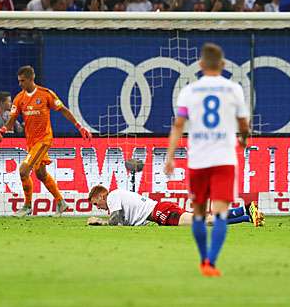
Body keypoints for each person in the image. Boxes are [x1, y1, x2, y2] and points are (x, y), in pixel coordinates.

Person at [164, 43, 250, 277]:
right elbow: (243, 125)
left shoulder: (189, 92)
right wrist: (243, 141)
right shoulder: (234, 90)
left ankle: (203, 259)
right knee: (220, 213)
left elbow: (178, 126)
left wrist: (170, 156)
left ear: (200, 65)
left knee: (200, 214)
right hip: (224, 159)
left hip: (198, 161)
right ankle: (211, 262)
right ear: (222, 65)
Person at [0, 65, 91, 217]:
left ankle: (27, 206)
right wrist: (2, 131)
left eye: (22, 81)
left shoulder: (45, 94)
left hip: (44, 140)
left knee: (23, 171)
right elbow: (12, 120)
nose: (20, 84)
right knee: (40, 174)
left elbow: (64, 110)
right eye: (19, 81)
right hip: (31, 143)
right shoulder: (19, 98)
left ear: (31, 79)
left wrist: (80, 127)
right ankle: (61, 203)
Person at [87, 185, 264, 227]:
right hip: (161, 210)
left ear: (102, 195)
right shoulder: (116, 195)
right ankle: (248, 215)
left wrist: (99, 222)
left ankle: (245, 210)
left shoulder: (112, 196)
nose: (99, 207)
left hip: (161, 212)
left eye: (97, 203)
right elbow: (121, 222)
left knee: (204, 222)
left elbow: (116, 220)